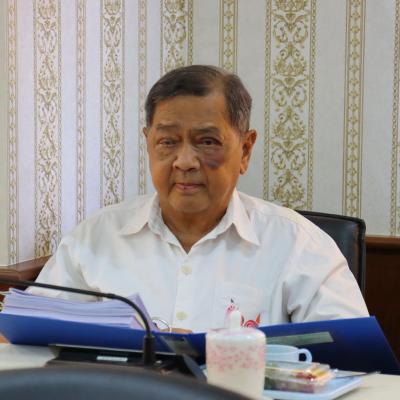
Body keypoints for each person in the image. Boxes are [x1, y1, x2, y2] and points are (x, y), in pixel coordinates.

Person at [29, 65, 369, 333]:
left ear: (245, 150)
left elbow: (354, 362)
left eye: (207, 142)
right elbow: (25, 339)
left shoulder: (300, 245)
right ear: (149, 143)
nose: (184, 161)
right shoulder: (95, 238)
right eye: (167, 142)